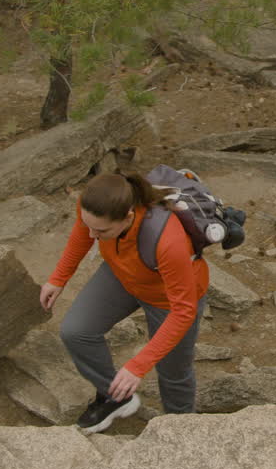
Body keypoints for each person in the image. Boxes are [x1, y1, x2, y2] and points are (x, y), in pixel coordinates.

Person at [40, 172, 209, 433]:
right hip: (123, 275)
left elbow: (183, 311)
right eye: (90, 226)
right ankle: (116, 396)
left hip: (169, 300)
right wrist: (59, 278)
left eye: (102, 230)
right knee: (76, 331)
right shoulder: (94, 204)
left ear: (129, 217)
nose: (94, 235)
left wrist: (137, 366)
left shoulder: (168, 242)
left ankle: (181, 430)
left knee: (172, 373)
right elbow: (81, 234)